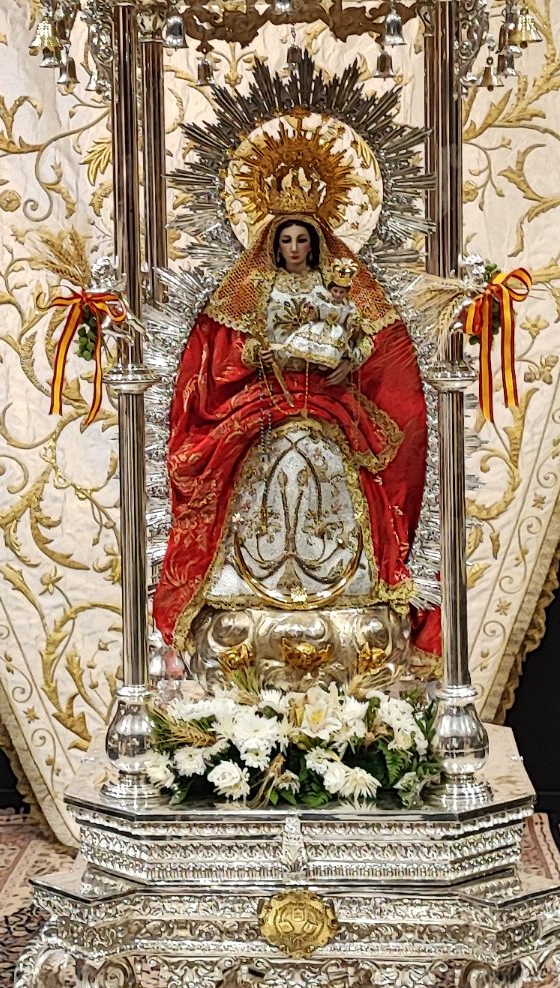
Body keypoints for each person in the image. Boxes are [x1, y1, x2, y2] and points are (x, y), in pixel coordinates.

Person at [151, 204, 434, 669]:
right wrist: (258, 354)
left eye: (302, 240)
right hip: (272, 397)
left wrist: (349, 359)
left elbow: (360, 332)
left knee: (341, 471)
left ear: (315, 245)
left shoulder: (333, 285)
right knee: (254, 468)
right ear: (274, 245)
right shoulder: (258, 286)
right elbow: (234, 343)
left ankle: (349, 579)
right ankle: (244, 582)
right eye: (287, 241)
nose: (295, 249)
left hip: (326, 397)